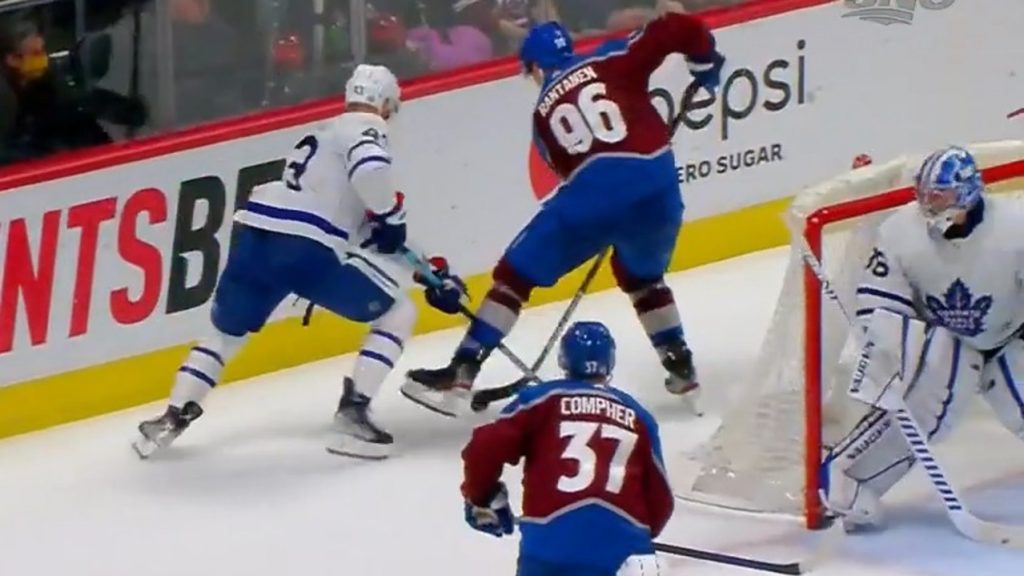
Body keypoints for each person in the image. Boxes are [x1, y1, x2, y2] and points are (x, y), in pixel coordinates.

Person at [131, 64, 466, 460]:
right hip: (307, 248)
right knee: (398, 312)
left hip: (257, 238)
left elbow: (365, 227)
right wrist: (392, 218)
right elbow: (372, 173)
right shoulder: (364, 128)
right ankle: (353, 414)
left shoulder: (321, 134)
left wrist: (428, 270)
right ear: (386, 103)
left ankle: (169, 420)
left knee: (225, 336)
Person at [402, 15, 725, 417]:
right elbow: (676, 25)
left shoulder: (541, 117)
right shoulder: (611, 60)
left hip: (593, 195)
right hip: (657, 189)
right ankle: (682, 368)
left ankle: (463, 369)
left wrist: (606, 213)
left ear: (535, 67)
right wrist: (704, 58)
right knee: (642, 277)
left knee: (513, 278)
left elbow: (575, 173)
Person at [824, 146, 1024, 531]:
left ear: (967, 192)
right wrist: (891, 354)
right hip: (944, 337)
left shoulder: (1015, 228)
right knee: (928, 408)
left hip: (1011, 334)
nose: (928, 205)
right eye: (924, 195)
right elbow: (880, 303)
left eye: (939, 195)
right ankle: (847, 478)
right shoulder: (900, 233)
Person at [460, 321, 674, 575]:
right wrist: (631, 536)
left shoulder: (541, 400)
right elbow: (661, 501)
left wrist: (481, 497)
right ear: (610, 362)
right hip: (626, 558)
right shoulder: (639, 416)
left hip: (550, 552)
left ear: (564, 359)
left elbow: (484, 447)